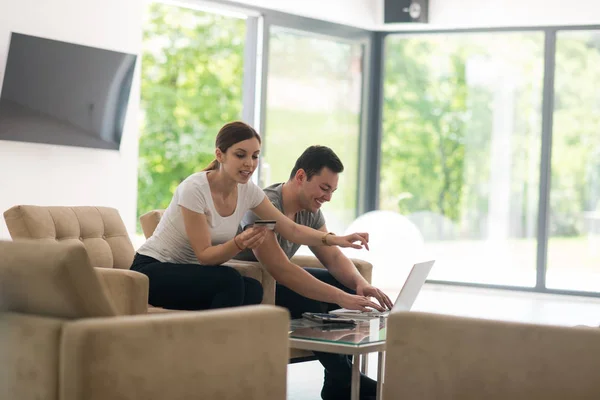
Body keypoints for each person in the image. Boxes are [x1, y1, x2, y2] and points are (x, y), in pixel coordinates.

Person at [130, 121, 383, 315]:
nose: (249, 163)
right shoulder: (194, 188)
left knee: (252, 290)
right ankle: (216, 358)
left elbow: (291, 230)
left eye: (255, 156)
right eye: (240, 155)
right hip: (153, 270)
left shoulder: (248, 190)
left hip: (191, 273)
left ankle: (220, 349)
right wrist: (240, 242)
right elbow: (205, 256)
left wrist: (336, 239)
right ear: (220, 155)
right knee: (230, 282)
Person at [237, 145, 393, 400]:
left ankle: (336, 385)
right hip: (256, 282)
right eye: (324, 188)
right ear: (300, 177)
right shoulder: (263, 205)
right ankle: (347, 377)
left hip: (276, 279)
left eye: (332, 190)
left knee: (343, 284)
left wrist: (359, 284)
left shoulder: (310, 211)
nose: (328, 197)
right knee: (311, 298)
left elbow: (330, 256)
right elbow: (279, 268)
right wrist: (339, 298)